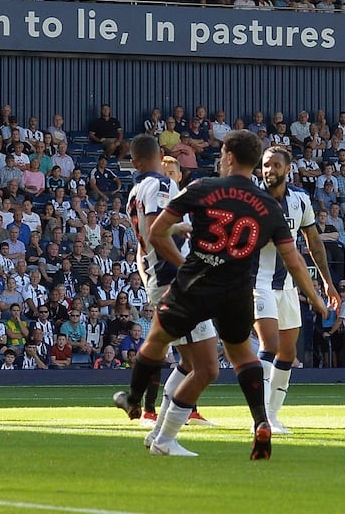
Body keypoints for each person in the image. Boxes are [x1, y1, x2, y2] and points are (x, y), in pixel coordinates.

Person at [115, 131, 330, 459]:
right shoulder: (269, 207)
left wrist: (184, 255)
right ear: (256, 162)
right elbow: (295, 260)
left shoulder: (202, 188)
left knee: (158, 343)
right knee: (243, 357)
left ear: (228, 156)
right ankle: (261, 419)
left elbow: (156, 230)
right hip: (237, 289)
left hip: (195, 283)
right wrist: (315, 299)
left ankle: (137, 403)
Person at [126, 136, 216, 442]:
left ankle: (158, 431)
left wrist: (179, 228)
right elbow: (157, 232)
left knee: (190, 363)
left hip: (160, 277)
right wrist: (186, 268)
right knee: (206, 367)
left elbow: (152, 233)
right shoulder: (161, 186)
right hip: (174, 279)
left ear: (134, 162)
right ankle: (163, 437)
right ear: (161, 155)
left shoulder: (135, 191)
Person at [253, 146, 341, 435]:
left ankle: (274, 415)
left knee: (288, 352)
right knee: (270, 345)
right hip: (259, 282)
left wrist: (327, 282)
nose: (269, 170)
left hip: (289, 285)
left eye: (276, 165)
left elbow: (314, 243)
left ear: (287, 169)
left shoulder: (301, 201)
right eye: (266, 165)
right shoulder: (254, 200)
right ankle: (261, 416)